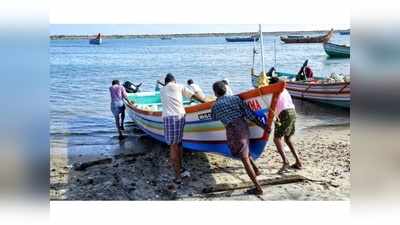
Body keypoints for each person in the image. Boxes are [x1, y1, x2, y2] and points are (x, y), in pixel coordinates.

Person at [211, 81, 269, 195]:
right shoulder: (236, 99)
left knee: (244, 159)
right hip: (244, 127)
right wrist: (264, 126)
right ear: (226, 89)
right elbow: (250, 114)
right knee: (245, 151)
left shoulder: (216, 106)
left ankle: (258, 188)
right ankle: (256, 170)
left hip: (233, 131)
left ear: (215, 93)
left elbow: (213, 117)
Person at [160, 73, 206, 184]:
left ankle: (178, 176)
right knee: (179, 143)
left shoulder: (162, 90)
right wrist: (205, 102)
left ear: (166, 82)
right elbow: (193, 96)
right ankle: (180, 169)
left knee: (173, 146)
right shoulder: (179, 86)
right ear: (174, 80)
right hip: (181, 116)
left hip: (169, 117)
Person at [269, 77, 302, 174]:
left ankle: (285, 161)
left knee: (276, 139)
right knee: (288, 139)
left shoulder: (275, 91)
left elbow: (272, 107)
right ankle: (298, 161)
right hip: (293, 112)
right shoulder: (284, 90)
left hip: (285, 113)